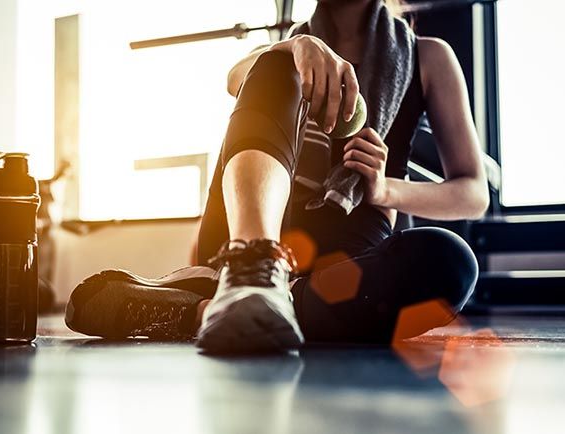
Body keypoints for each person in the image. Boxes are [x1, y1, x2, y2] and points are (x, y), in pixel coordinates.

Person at [65, 0, 488, 353]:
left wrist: (384, 188)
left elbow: (472, 192)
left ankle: (205, 310)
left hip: (348, 257)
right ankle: (253, 271)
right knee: (273, 62)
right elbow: (234, 77)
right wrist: (295, 46)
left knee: (449, 263)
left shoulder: (428, 55)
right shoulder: (285, 52)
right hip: (249, 233)